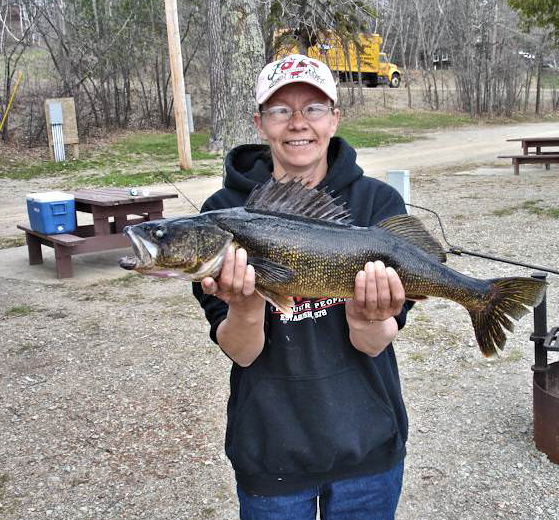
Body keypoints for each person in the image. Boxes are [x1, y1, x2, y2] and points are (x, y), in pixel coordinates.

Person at [193, 54, 413, 519]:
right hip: (272, 449)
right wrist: (248, 307)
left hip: (367, 444)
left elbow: (374, 343)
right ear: (260, 122)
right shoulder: (221, 217)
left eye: (313, 108)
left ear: (334, 117)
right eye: (280, 110)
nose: (298, 123)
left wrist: (368, 317)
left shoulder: (377, 203)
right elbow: (243, 352)